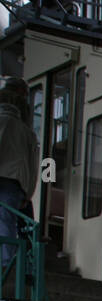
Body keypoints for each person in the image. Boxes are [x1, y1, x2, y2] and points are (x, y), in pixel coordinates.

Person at [0, 78, 38, 278]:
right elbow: (33, 165)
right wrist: (29, 192)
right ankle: (7, 263)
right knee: (7, 221)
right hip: (16, 182)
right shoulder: (27, 133)